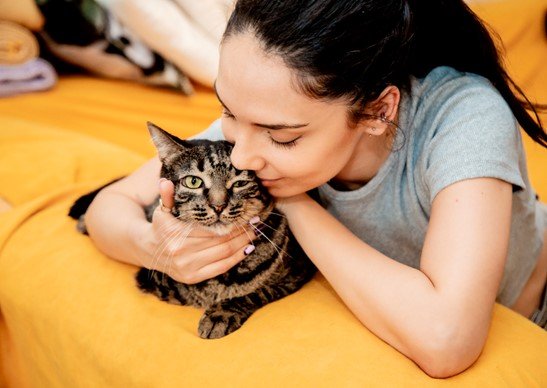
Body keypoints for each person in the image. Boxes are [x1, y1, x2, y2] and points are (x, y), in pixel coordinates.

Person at [84, 0, 547, 378]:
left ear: (377, 112)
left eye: (282, 137)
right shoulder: (259, 118)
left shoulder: (465, 118)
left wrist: (292, 201)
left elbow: (446, 341)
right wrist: (156, 247)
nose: (241, 156)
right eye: (228, 110)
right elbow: (110, 208)